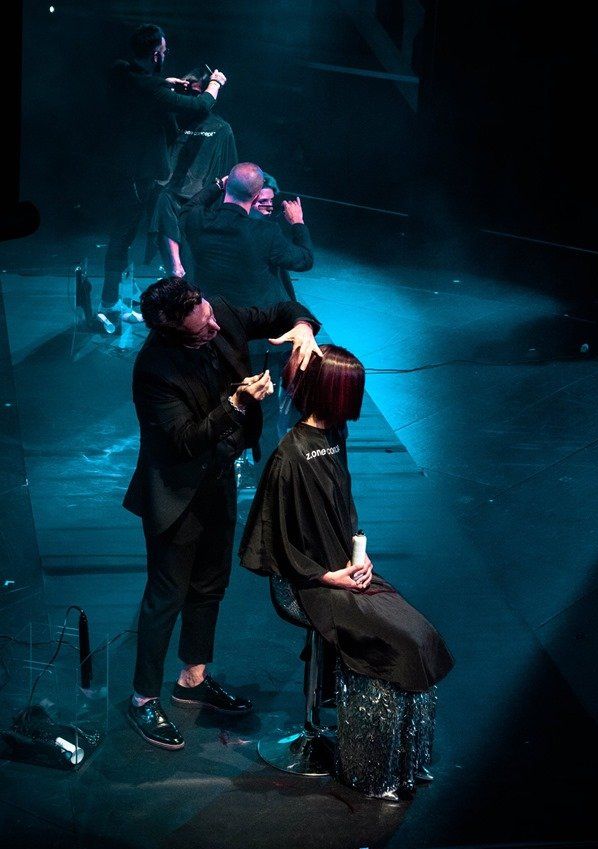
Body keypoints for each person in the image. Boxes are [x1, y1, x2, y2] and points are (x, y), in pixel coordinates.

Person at [239, 346, 454, 800]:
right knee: (403, 640)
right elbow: (279, 543)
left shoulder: (335, 434)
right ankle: (375, 768)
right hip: (308, 585)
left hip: (344, 569)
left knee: (421, 633)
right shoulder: (289, 457)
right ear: (337, 391)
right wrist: (325, 576)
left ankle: (405, 759)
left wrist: (361, 552)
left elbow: (343, 505)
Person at [123, 277, 321, 750]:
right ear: (174, 333)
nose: (215, 326)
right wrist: (236, 404)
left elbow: (278, 310)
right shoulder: (154, 369)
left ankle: (192, 680)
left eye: (211, 316)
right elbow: (184, 440)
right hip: (177, 489)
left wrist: (303, 327)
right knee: (167, 595)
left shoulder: (219, 310)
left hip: (218, 479)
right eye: (202, 329)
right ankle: (142, 700)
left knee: (211, 584)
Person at [100, 24, 228, 322]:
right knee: (125, 233)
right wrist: (215, 84)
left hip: (121, 166)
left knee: (129, 233)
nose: (166, 55)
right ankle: (111, 301)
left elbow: (140, 80)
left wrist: (167, 82)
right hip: (138, 173)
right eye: (164, 51)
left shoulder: (122, 73)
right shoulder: (152, 89)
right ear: (156, 54)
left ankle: (114, 297)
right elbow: (199, 106)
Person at [180, 161, 314, 308]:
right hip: (249, 318)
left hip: (208, 310)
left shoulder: (199, 220)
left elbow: (188, 207)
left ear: (227, 187)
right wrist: (298, 222)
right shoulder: (266, 233)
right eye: (263, 201)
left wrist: (218, 185)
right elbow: (305, 260)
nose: (268, 207)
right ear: (255, 198)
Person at [149, 66, 239, 279]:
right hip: (171, 192)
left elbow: (229, 169)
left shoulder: (221, 128)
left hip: (202, 196)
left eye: (196, 95)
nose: (191, 101)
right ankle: (175, 268)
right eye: (187, 94)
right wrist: (167, 88)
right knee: (163, 199)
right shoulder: (174, 120)